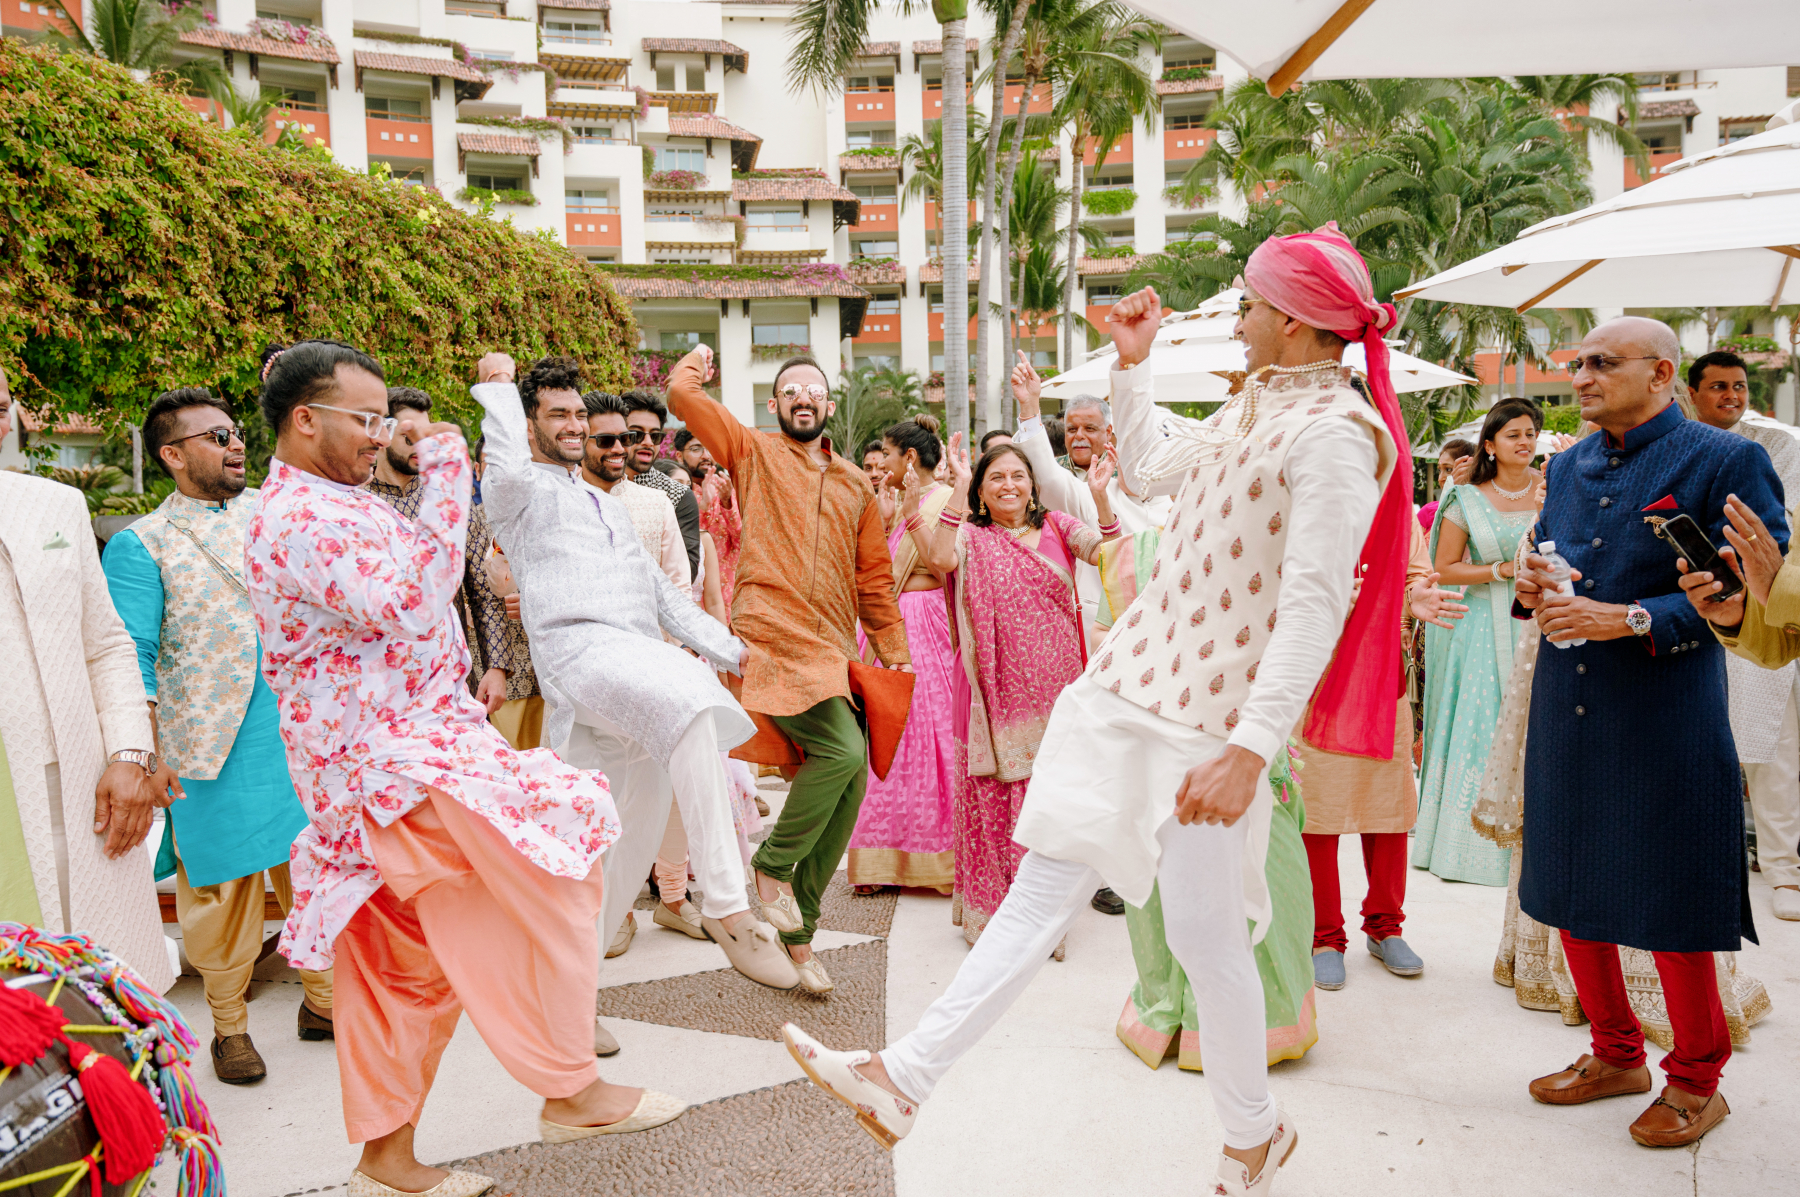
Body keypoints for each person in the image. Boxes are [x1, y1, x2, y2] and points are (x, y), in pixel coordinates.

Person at [785, 223, 1410, 1197]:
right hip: (1132, 685)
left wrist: (1252, 748)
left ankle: (1247, 1131)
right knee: (1061, 892)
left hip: (1208, 722)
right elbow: (1150, 471)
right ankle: (909, 1078)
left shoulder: (1338, 433)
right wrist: (1133, 366)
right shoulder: (1256, 404)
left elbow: (1316, 603)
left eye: (1250, 305)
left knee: (1200, 936)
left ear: (1292, 319)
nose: (1238, 320)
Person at [246, 340, 683, 1197]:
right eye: (366, 419)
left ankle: (386, 1160)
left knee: (401, 967)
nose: (383, 435)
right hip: (391, 768)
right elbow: (414, 599)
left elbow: (417, 579)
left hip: (400, 758)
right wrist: (451, 467)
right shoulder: (298, 516)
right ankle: (570, 1087)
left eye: (385, 419)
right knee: (556, 865)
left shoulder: (338, 500)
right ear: (304, 419)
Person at [1514, 317, 1784, 1148]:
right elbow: (1554, 553)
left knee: (1672, 893)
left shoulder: (1725, 459)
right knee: (1569, 878)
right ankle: (1615, 1053)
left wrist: (1628, 616)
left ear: (1662, 372)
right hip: (1567, 700)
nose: (1581, 376)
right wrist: (1535, 578)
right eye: (1577, 362)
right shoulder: (1568, 464)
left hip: (1666, 710)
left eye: (1602, 362)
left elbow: (1753, 593)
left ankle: (1697, 1080)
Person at [471, 353, 797, 996]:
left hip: (634, 672)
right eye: (556, 414)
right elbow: (504, 458)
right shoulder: (517, 493)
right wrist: (500, 385)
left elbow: (665, 597)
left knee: (618, 852)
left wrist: (734, 652)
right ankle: (727, 907)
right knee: (691, 700)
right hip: (581, 659)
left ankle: (571, 999)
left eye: (577, 413)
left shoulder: (608, 505)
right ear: (529, 423)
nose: (573, 424)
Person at [101, 387, 332, 1083]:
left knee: (315, 871)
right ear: (172, 455)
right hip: (206, 745)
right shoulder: (142, 543)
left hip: (301, 730)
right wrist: (144, 750)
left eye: (235, 432)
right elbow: (132, 656)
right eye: (215, 436)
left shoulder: (277, 511)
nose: (235, 444)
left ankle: (323, 1003)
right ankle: (229, 1028)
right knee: (221, 893)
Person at [666, 347, 912, 996]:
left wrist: (894, 649)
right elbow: (682, 399)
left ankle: (800, 928)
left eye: (814, 390)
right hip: (771, 632)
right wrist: (697, 363)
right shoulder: (752, 450)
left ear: (828, 404)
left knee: (851, 779)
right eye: (791, 391)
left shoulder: (856, 484)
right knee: (842, 750)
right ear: (775, 405)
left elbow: (873, 578)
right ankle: (772, 866)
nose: (804, 398)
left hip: (830, 645)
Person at [0, 367, 177, 993]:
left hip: (70, 783)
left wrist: (130, 754)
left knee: (91, 989)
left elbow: (105, 644)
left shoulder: (53, 505)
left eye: (0, 405)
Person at [926, 436, 1120, 953]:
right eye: (996, 478)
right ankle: (996, 918)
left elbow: (1111, 556)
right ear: (981, 490)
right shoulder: (969, 536)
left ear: (1033, 485)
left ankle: (1046, 919)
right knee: (994, 799)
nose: (1009, 485)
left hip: (1058, 692)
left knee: (1051, 803)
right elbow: (939, 556)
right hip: (991, 693)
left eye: (1018, 476)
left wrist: (1101, 498)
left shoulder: (1058, 526)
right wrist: (957, 488)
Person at [1013, 359, 1174, 918]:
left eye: (1091, 428)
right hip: (1101, 643)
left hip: (1167, 649)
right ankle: (1107, 875)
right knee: (1108, 757)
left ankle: (1154, 864)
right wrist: (1030, 409)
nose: (1079, 436)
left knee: (1153, 759)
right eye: (1072, 428)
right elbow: (1046, 476)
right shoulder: (1084, 494)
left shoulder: (1171, 502)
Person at [1303, 522, 1459, 988]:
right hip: (1309, 674)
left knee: (1388, 806)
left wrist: (1412, 597)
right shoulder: (1296, 499)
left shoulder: (1396, 510)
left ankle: (1385, 926)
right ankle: (1324, 937)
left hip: (1379, 672)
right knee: (1317, 809)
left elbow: (1417, 576)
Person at [1685, 350, 1800, 921]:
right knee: (1696, 747)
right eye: (1718, 387)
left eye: (1739, 386)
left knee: (1775, 747)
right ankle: (1704, 862)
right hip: (1690, 608)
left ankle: (1784, 872)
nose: (1732, 396)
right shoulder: (1676, 446)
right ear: (1692, 393)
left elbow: (1783, 528)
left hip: (1767, 608)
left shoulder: (1776, 446)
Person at [1413, 398, 1543, 886]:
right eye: (1513, 434)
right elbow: (1443, 568)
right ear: (1490, 444)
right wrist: (1502, 570)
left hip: (1539, 624)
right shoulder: (1466, 499)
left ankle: (1536, 848)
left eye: (1530, 433)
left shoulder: (1551, 491)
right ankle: (1470, 848)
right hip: (1483, 628)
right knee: (1483, 723)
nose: (1525, 442)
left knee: (1534, 724)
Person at [846, 415, 959, 895]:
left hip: (926, 624)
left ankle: (941, 856)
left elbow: (941, 565)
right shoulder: (895, 503)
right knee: (888, 734)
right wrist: (891, 519)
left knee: (927, 734)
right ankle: (879, 856)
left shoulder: (947, 500)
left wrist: (909, 516)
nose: (881, 465)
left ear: (909, 458)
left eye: (888, 455)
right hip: (895, 622)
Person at [366, 387, 512, 716]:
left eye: (426, 436)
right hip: (378, 676)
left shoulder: (446, 496)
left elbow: (482, 590)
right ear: (383, 434)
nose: (422, 446)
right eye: (410, 437)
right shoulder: (360, 500)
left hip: (452, 673)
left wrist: (497, 667)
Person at [582, 390, 689, 590]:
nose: (618, 449)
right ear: (581, 443)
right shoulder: (560, 501)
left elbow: (678, 585)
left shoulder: (658, 504)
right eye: (605, 440)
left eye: (625, 439)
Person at [622, 389, 702, 578]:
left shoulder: (678, 495)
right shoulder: (593, 484)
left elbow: (686, 571)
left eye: (655, 435)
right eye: (637, 434)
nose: (648, 442)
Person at [1417, 438, 1475, 533]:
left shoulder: (1483, 513)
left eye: (1448, 469)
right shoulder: (1428, 512)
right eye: (1439, 470)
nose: (1440, 478)